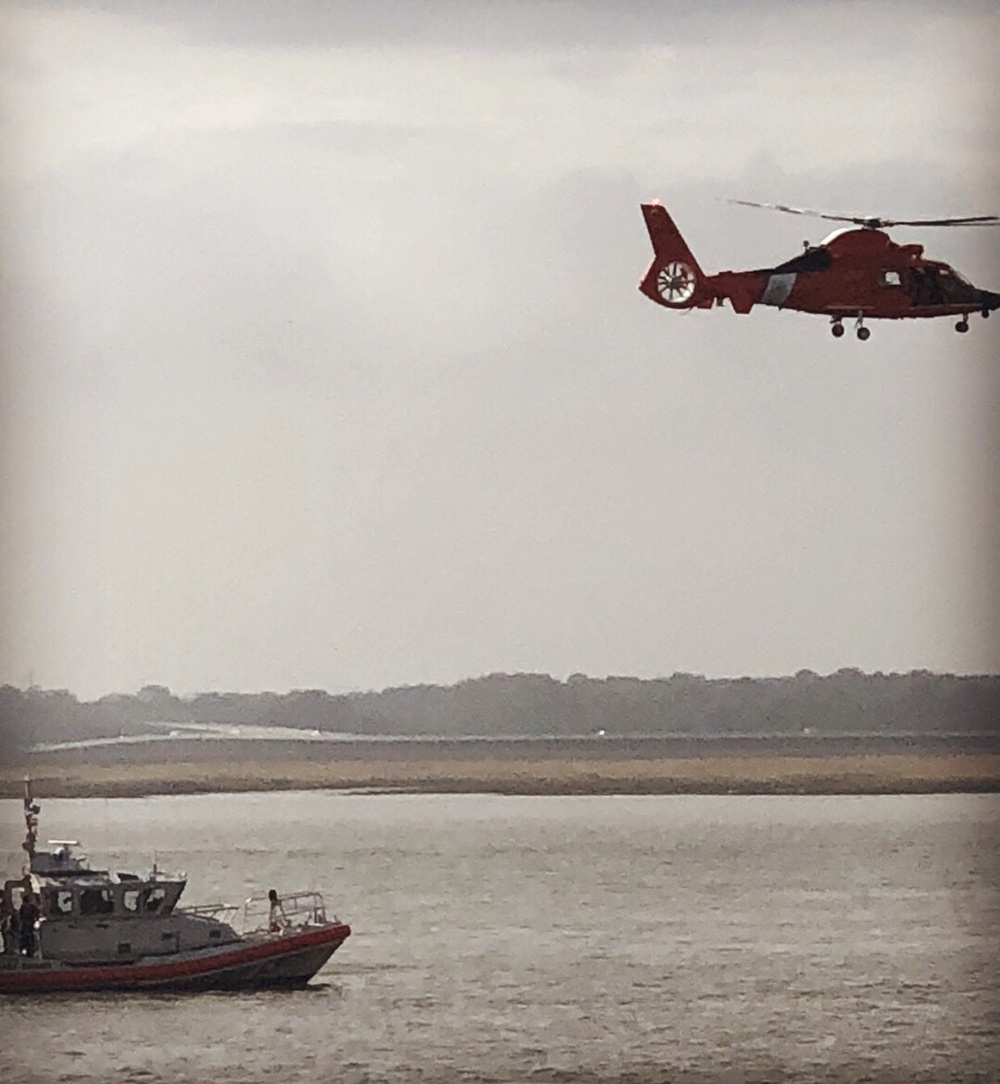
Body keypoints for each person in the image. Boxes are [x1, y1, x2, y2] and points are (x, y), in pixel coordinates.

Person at [19, 891, 40, 957]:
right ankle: (28, 950)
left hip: (28, 925)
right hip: (28, 925)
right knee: (29, 938)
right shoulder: (31, 907)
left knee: (28, 938)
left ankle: (28, 950)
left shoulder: (26, 908)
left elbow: (21, 916)